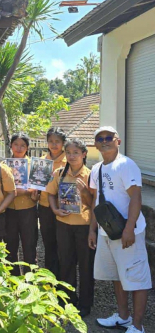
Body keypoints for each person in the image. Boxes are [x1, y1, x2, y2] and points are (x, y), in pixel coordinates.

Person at [88, 127, 151, 333]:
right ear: (95, 144)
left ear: (118, 141)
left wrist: (129, 228)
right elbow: (96, 201)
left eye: (109, 137)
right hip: (107, 232)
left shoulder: (126, 164)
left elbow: (136, 197)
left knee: (136, 278)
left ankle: (138, 326)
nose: (104, 141)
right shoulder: (96, 168)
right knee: (117, 276)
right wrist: (92, 230)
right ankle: (124, 317)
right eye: (100, 138)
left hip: (127, 231)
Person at [46, 139, 94, 317]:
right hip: (63, 224)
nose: (72, 156)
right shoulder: (59, 173)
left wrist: (84, 192)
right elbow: (50, 194)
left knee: (86, 266)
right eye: (69, 153)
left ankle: (85, 304)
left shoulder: (90, 175)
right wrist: (55, 209)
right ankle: (68, 299)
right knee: (66, 263)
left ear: (84, 154)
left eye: (76, 153)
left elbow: (94, 203)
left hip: (83, 225)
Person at [5, 132, 38, 276]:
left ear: (27, 147)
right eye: (16, 144)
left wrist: (28, 193)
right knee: (10, 246)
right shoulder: (3, 165)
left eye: (23, 145)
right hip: (9, 210)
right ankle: (13, 279)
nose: (19, 148)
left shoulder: (34, 165)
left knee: (29, 246)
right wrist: (18, 191)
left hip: (28, 209)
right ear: (11, 146)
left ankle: (30, 280)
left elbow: (38, 187)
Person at [38, 127, 67, 277]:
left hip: (64, 208)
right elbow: (37, 183)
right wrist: (34, 192)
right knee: (49, 244)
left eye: (57, 141)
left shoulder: (69, 160)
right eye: (51, 141)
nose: (54, 145)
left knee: (63, 245)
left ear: (63, 143)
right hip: (45, 207)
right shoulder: (42, 161)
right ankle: (49, 278)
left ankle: (64, 278)